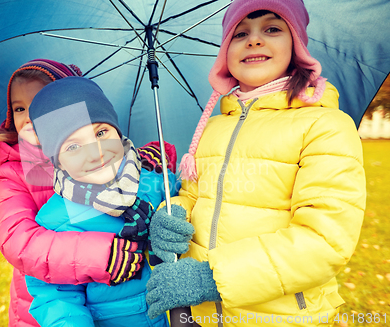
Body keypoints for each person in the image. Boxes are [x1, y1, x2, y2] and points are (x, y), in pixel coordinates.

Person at [145, 0, 366, 326]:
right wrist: (173, 212)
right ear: (225, 52)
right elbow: (195, 195)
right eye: (240, 33)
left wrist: (212, 278)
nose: (254, 40)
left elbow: (324, 240)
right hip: (200, 315)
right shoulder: (212, 126)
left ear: (297, 45)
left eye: (272, 29)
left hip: (278, 315)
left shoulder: (325, 127)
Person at [0, 59, 148, 327]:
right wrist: (100, 255)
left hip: (109, 295)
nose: (29, 116)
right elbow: (18, 242)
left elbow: (116, 154)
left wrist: (155, 155)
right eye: (19, 108)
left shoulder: (97, 152)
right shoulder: (12, 174)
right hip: (43, 293)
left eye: (39, 103)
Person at [25, 76, 177, 326]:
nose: (95, 152)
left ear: (118, 132)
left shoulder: (156, 183)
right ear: (58, 161)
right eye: (73, 146)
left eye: (101, 132)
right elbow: (56, 300)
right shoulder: (56, 221)